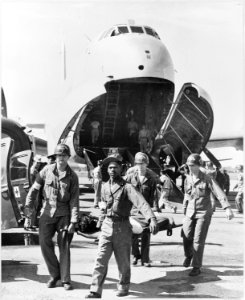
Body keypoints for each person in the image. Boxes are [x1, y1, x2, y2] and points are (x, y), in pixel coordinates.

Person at [85, 153, 158, 298]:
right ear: (107, 170)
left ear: (121, 170)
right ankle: (95, 289)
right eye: (110, 168)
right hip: (107, 226)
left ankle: (124, 286)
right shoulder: (105, 187)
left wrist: (151, 218)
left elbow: (141, 202)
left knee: (123, 261)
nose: (112, 170)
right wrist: (100, 221)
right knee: (100, 259)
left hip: (122, 227)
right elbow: (104, 207)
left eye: (115, 168)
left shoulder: (127, 187)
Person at [24, 144, 79, 290]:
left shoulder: (72, 176)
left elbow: (74, 200)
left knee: (64, 246)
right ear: (55, 157)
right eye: (59, 156)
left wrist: (73, 220)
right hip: (47, 212)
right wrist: (28, 206)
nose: (61, 158)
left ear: (68, 157)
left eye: (64, 156)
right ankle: (55, 275)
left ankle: (66, 280)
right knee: (44, 243)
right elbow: (34, 189)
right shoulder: (45, 171)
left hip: (64, 214)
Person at [182, 153, 234, 276]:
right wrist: (184, 209)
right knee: (186, 236)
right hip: (190, 211)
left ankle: (196, 266)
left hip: (203, 212)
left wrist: (227, 208)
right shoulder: (187, 178)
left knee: (198, 240)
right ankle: (189, 255)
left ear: (199, 165)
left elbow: (218, 192)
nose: (190, 167)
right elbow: (187, 194)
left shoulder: (207, 178)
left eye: (193, 165)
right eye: (189, 165)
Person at [124, 152, 160, 267]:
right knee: (132, 234)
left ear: (147, 164)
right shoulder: (130, 177)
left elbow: (155, 195)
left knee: (146, 234)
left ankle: (145, 259)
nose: (140, 165)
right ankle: (136, 255)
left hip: (146, 211)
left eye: (142, 163)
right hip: (133, 210)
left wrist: (156, 210)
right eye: (138, 163)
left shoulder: (151, 178)